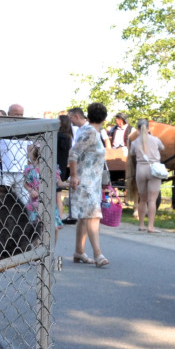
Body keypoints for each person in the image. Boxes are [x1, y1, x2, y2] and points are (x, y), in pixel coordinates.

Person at [68, 102, 110, 268]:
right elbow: (74, 153)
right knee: (93, 217)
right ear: (104, 118)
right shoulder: (91, 132)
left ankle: (79, 251)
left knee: (85, 218)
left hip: (90, 181)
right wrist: (74, 176)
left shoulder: (88, 130)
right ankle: (98, 254)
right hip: (85, 182)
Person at [0, 103, 29, 203]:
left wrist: (32, 167)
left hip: (22, 172)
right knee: (2, 201)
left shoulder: (26, 129)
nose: (19, 117)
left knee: (24, 201)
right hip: (3, 171)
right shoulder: (2, 128)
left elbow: (30, 149)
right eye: (16, 114)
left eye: (21, 115)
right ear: (9, 113)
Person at [129, 118, 165, 232]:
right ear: (148, 128)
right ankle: (151, 226)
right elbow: (162, 148)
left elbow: (131, 153)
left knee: (142, 200)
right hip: (153, 169)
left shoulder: (135, 142)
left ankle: (141, 225)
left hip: (140, 169)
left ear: (138, 129)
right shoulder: (155, 139)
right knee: (152, 200)